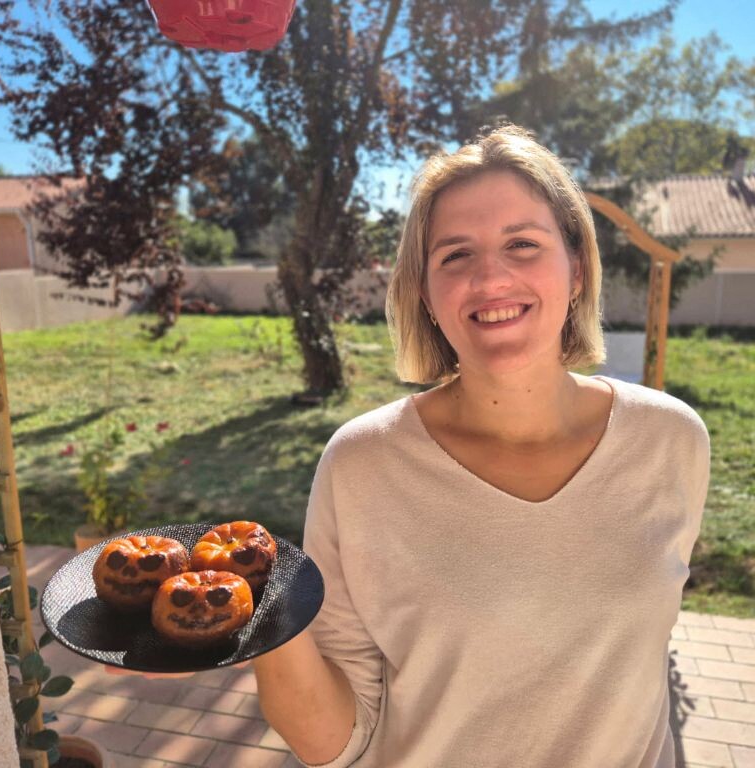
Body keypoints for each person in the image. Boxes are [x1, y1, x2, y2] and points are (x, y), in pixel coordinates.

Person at [114, 124, 711, 768]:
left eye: (523, 243)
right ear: (425, 293)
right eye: (455, 255)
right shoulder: (362, 463)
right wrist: (263, 626)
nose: (490, 278)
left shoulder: (671, 440)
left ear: (576, 269)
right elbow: (337, 740)